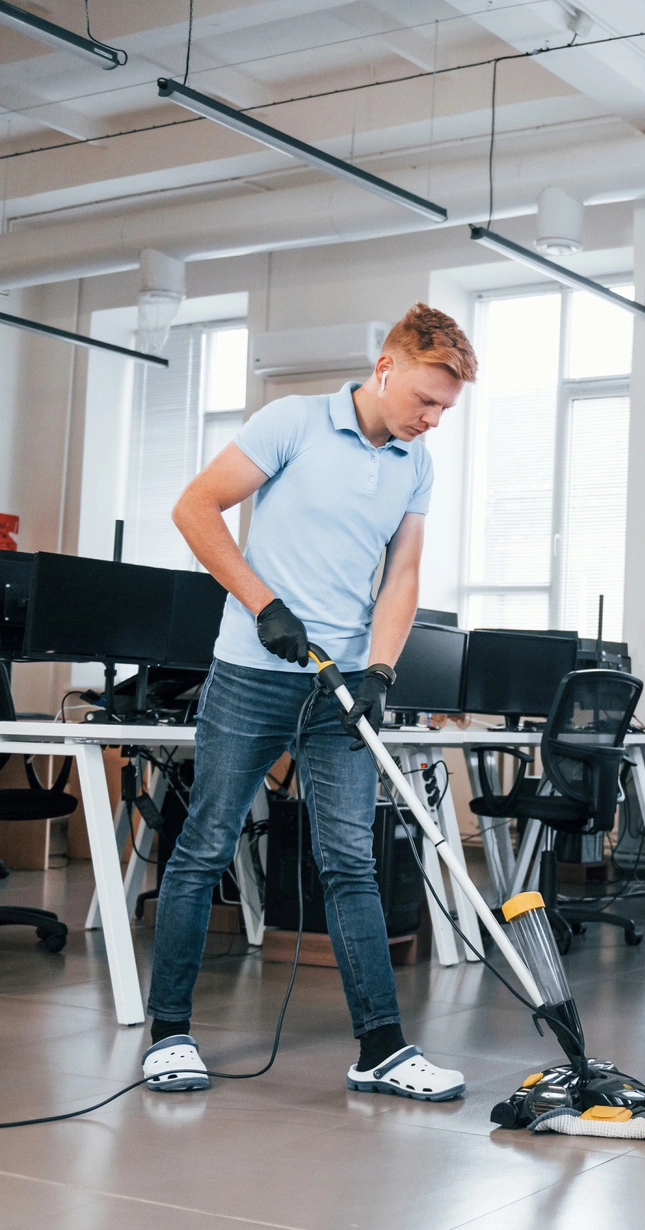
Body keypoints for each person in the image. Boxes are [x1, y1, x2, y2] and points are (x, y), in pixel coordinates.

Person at [139, 304, 478, 1102]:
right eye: (426, 401)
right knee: (206, 843)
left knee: (350, 861)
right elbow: (195, 507)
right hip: (252, 672)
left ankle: (382, 1050)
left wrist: (382, 671)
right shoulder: (293, 422)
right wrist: (264, 605)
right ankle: (169, 1035)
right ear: (386, 367)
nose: (432, 421)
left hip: (341, 685)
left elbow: (402, 576)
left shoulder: (413, 462)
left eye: (445, 410)